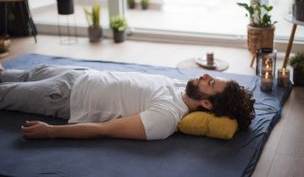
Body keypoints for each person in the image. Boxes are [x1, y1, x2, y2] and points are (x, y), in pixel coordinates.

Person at [0, 64, 255, 140]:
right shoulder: (182, 88)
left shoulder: (165, 117)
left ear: (207, 105)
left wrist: (51, 132)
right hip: (78, 73)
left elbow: (104, 130)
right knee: (14, 74)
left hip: (63, 96)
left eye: (210, 83)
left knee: (5, 92)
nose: (206, 75)